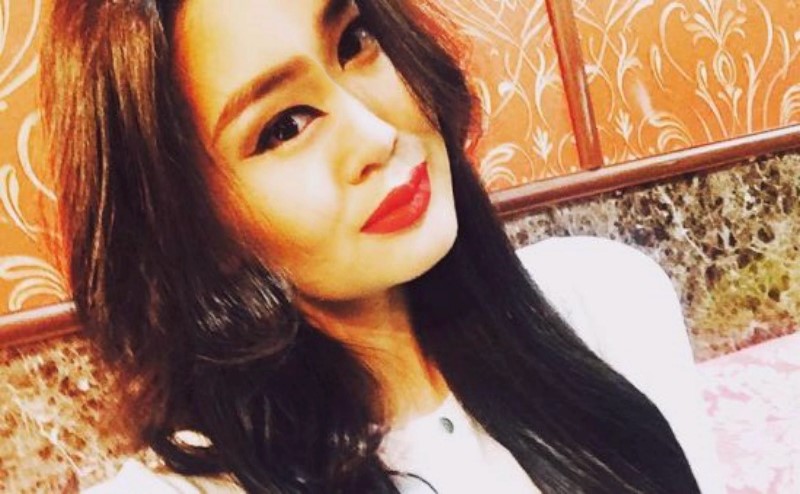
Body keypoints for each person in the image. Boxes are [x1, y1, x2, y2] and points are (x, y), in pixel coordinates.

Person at [41, 0, 720, 492]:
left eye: (355, 42)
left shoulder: (609, 303)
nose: (375, 134)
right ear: (196, 230)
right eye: (285, 126)